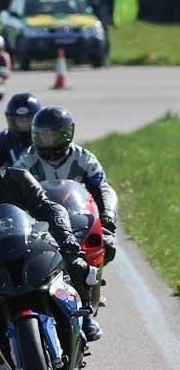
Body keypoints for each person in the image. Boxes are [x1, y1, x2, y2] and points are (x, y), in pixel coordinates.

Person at [0, 131, 102, 342]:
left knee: (76, 265)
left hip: (35, 243)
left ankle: (86, 316)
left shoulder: (17, 178)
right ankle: (1, 339)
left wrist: (68, 244)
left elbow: (50, 209)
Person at [14, 107, 118, 269]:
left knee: (107, 246)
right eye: (41, 136)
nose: (45, 141)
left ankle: (92, 283)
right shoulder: (27, 160)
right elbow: (12, 187)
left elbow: (102, 188)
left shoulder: (84, 158)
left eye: (51, 136)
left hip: (76, 218)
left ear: (66, 135)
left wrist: (107, 216)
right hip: (40, 220)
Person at [0, 92, 42, 168]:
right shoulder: (3, 140)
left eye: (28, 119)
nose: (24, 123)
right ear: (11, 119)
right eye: (20, 119)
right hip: (15, 179)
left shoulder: (45, 138)